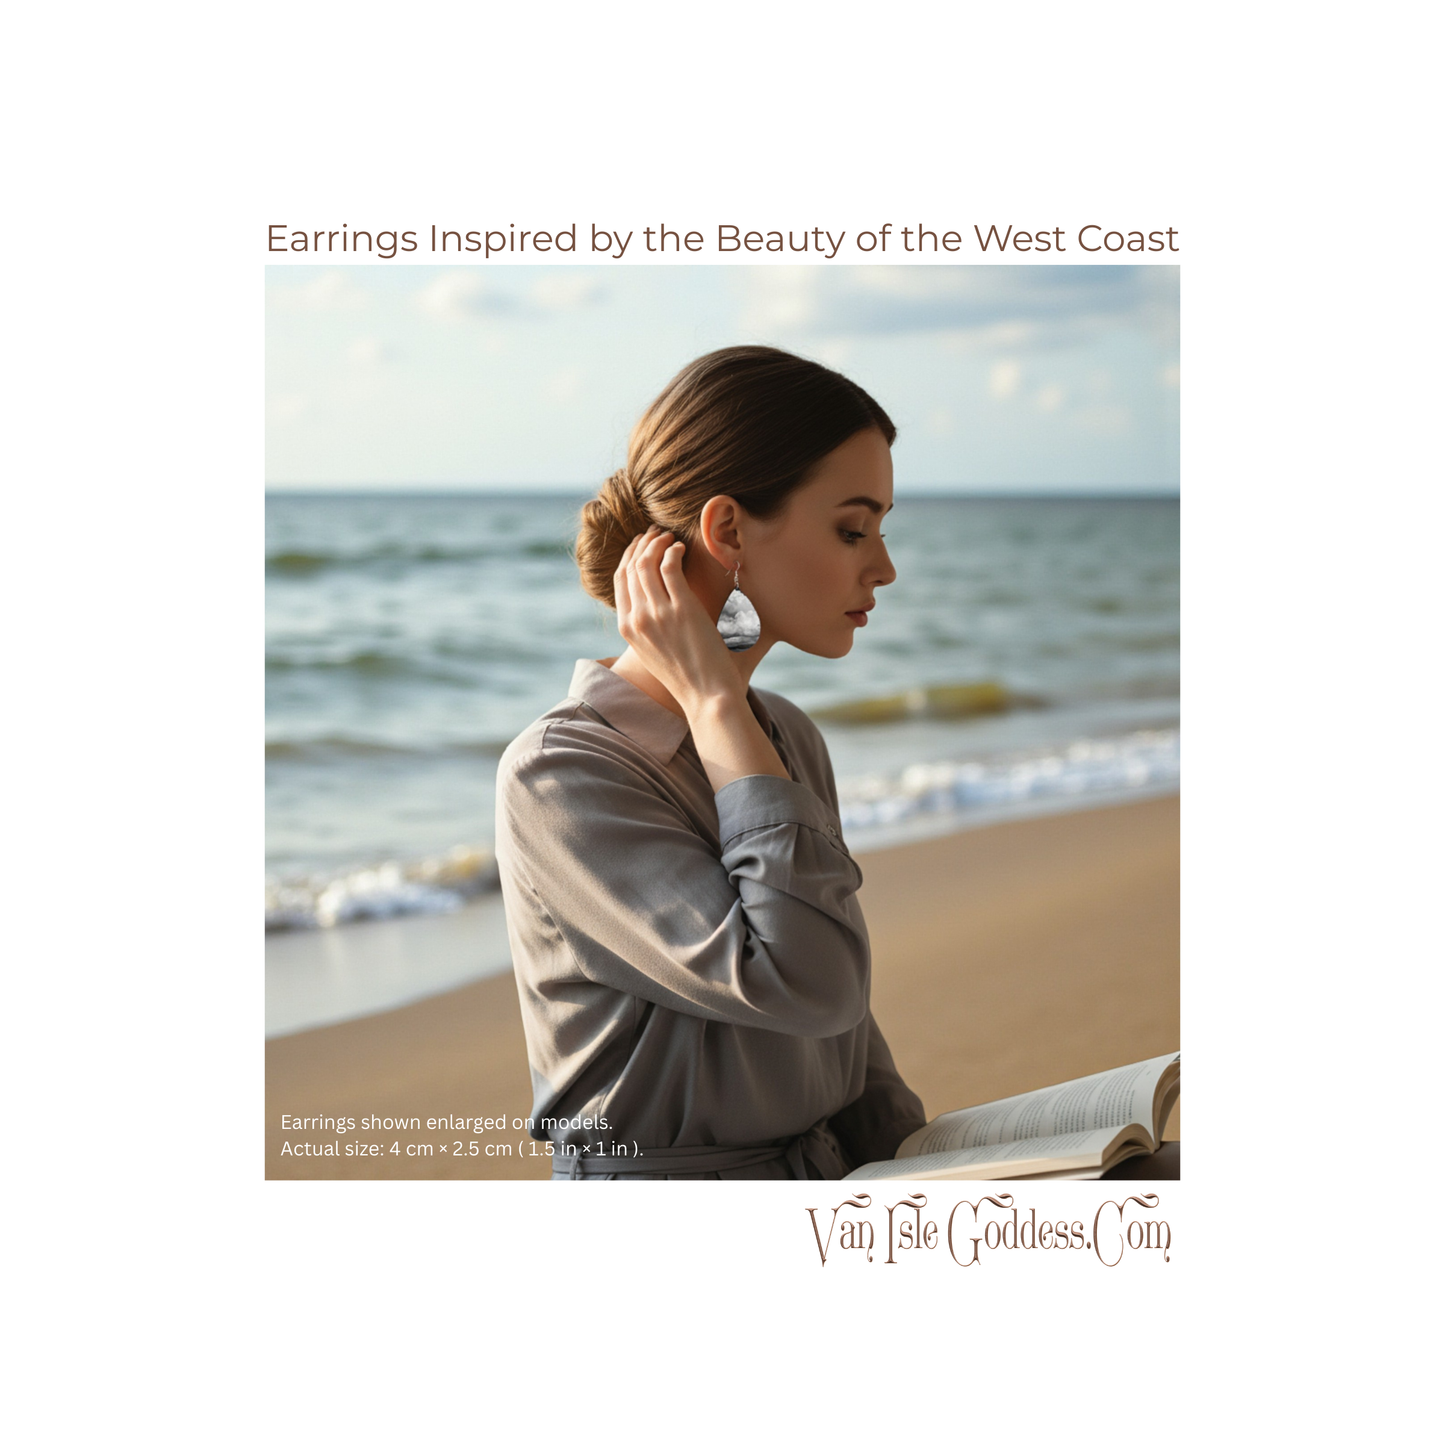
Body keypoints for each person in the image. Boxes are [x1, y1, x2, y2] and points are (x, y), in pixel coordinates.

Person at [495, 345, 926, 1179]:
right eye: (851, 528)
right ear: (727, 530)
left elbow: (846, 1033)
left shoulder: (786, 736)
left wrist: (938, 1162)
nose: (883, 566)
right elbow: (803, 981)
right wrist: (714, 701)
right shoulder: (559, 773)